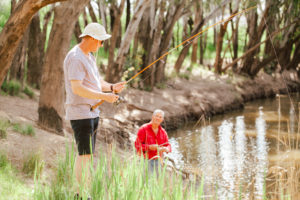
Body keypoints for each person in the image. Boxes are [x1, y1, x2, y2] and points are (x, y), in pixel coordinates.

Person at [63, 23, 125, 199]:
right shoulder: (75, 58)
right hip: (81, 113)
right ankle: (79, 194)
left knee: (87, 155)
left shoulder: (89, 56)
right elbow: (77, 89)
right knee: (84, 155)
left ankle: (84, 193)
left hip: (92, 113)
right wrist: (104, 97)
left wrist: (111, 87)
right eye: (101, 41)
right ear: (91, 38)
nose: (102, 45)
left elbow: (96, 82)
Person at [135, 109, 171, 173]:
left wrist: (166, 149)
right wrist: (149, 147)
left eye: (160, 117)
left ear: (162, 120)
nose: (158, 118)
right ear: (152, 117)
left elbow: (168, 144)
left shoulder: (163, 131)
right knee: (147, 181)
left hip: (158, 160)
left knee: (157, 181)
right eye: (156, 116)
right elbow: (137, 145)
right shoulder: (143, 129)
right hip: (145, 160)